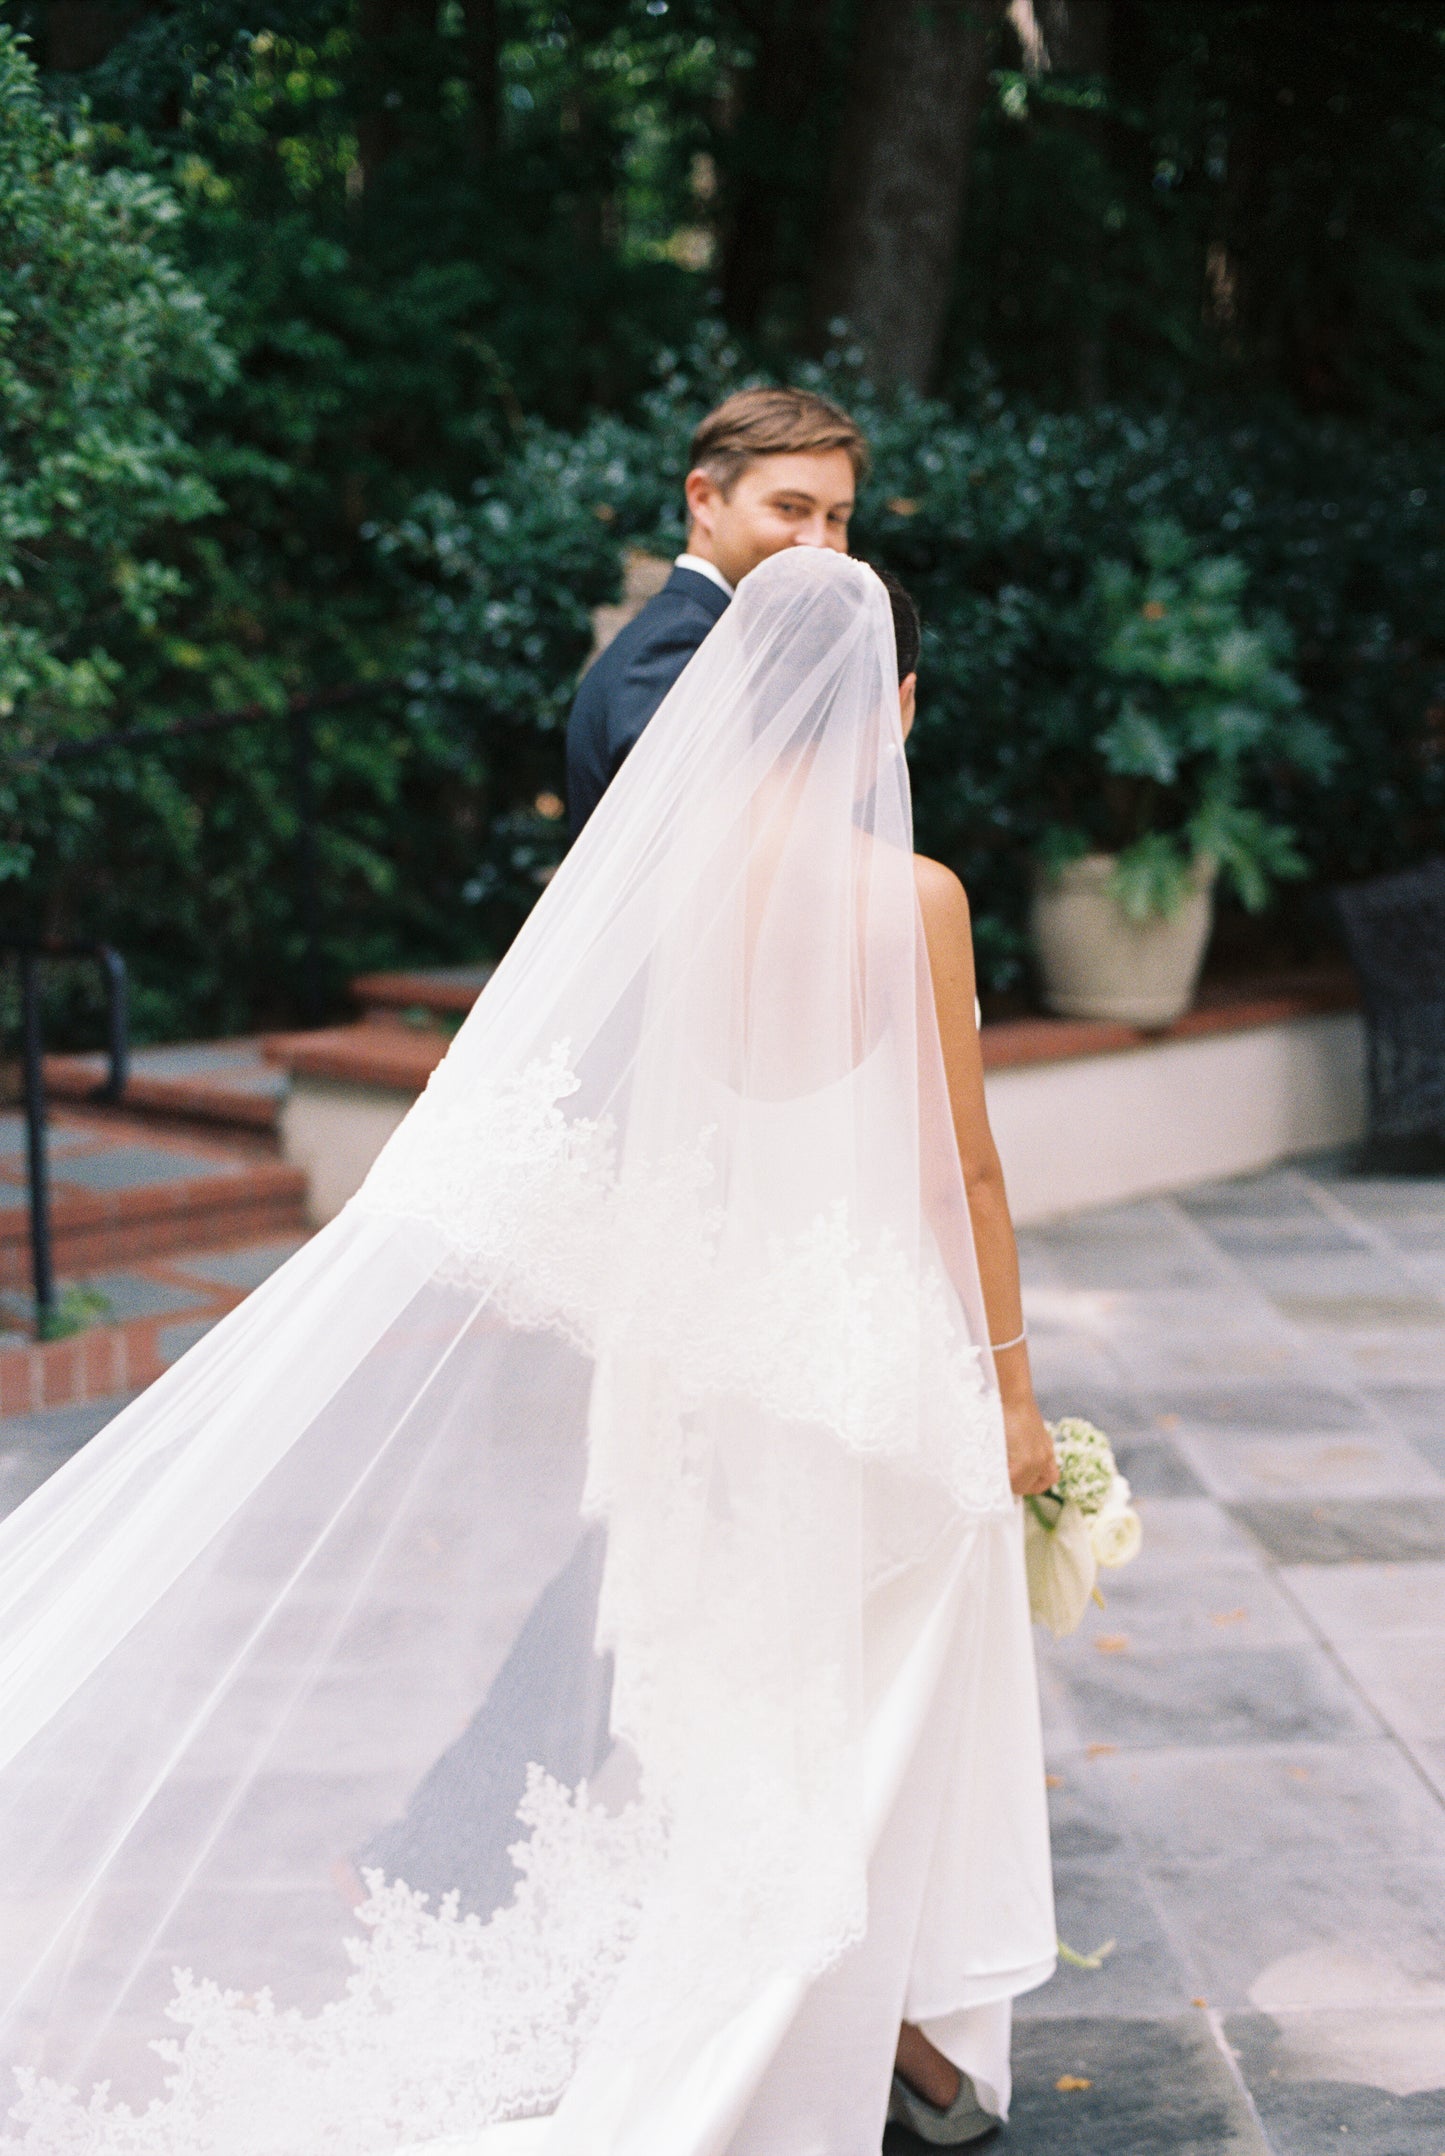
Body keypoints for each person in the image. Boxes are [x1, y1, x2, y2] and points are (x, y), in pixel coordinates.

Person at [0, 549, 1057, 2156]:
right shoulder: (914, 901)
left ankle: (859, 2037)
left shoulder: (668, 880)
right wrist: (1018, 1391)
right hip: (860, 1372)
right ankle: (785, 2048)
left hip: (694, 1359)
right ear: (888, 709)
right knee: (850, 1717)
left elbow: (626, 1128)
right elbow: (956, 1167)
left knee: (719, 1716)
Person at [565, 383, 866, 833]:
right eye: (790, 508)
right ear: (704, 499)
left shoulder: (714, 636)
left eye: (836, 518)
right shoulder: (675, 651)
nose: (819, 542)